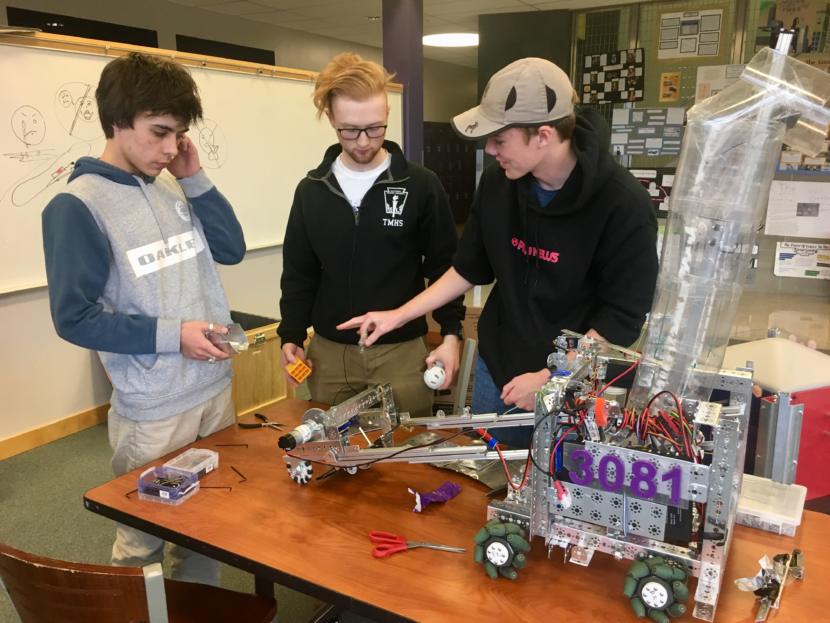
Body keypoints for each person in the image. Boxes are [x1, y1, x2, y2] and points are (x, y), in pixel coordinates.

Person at [339, 57, 658, 446]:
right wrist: (398, 315)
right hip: (499, 365)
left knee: (554, 493)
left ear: (543, 135)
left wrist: (550, 379)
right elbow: (470, 267)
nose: (490, 150)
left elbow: (621, 318)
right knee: (485, 488)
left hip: (571, 382)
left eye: (500, 139)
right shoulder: (499, 183)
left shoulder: (623, 206)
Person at [42, 52, 245, 584]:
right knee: (143, 538)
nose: (170, 148)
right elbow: (75, 318)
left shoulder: (174, 183)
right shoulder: (78, 204)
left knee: (209, 527)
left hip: (213, 392)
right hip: (154, 412)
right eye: (159, 132)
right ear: (116, 122)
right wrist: (173, 337)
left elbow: (231, 249)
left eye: (178, 134)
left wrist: (195, 177)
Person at [278, 52, 464, 418]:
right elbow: (299, 273)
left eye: (375, 128)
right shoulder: (311, 190)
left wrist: (451, 335)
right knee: (327, 455)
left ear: (387, 116)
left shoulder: (421, 186)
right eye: (349, 130)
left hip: (401, 352)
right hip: (330, 356)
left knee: (408, 458)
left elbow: (446, 268)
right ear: (330, 118)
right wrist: (291, 335)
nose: (363, 141)